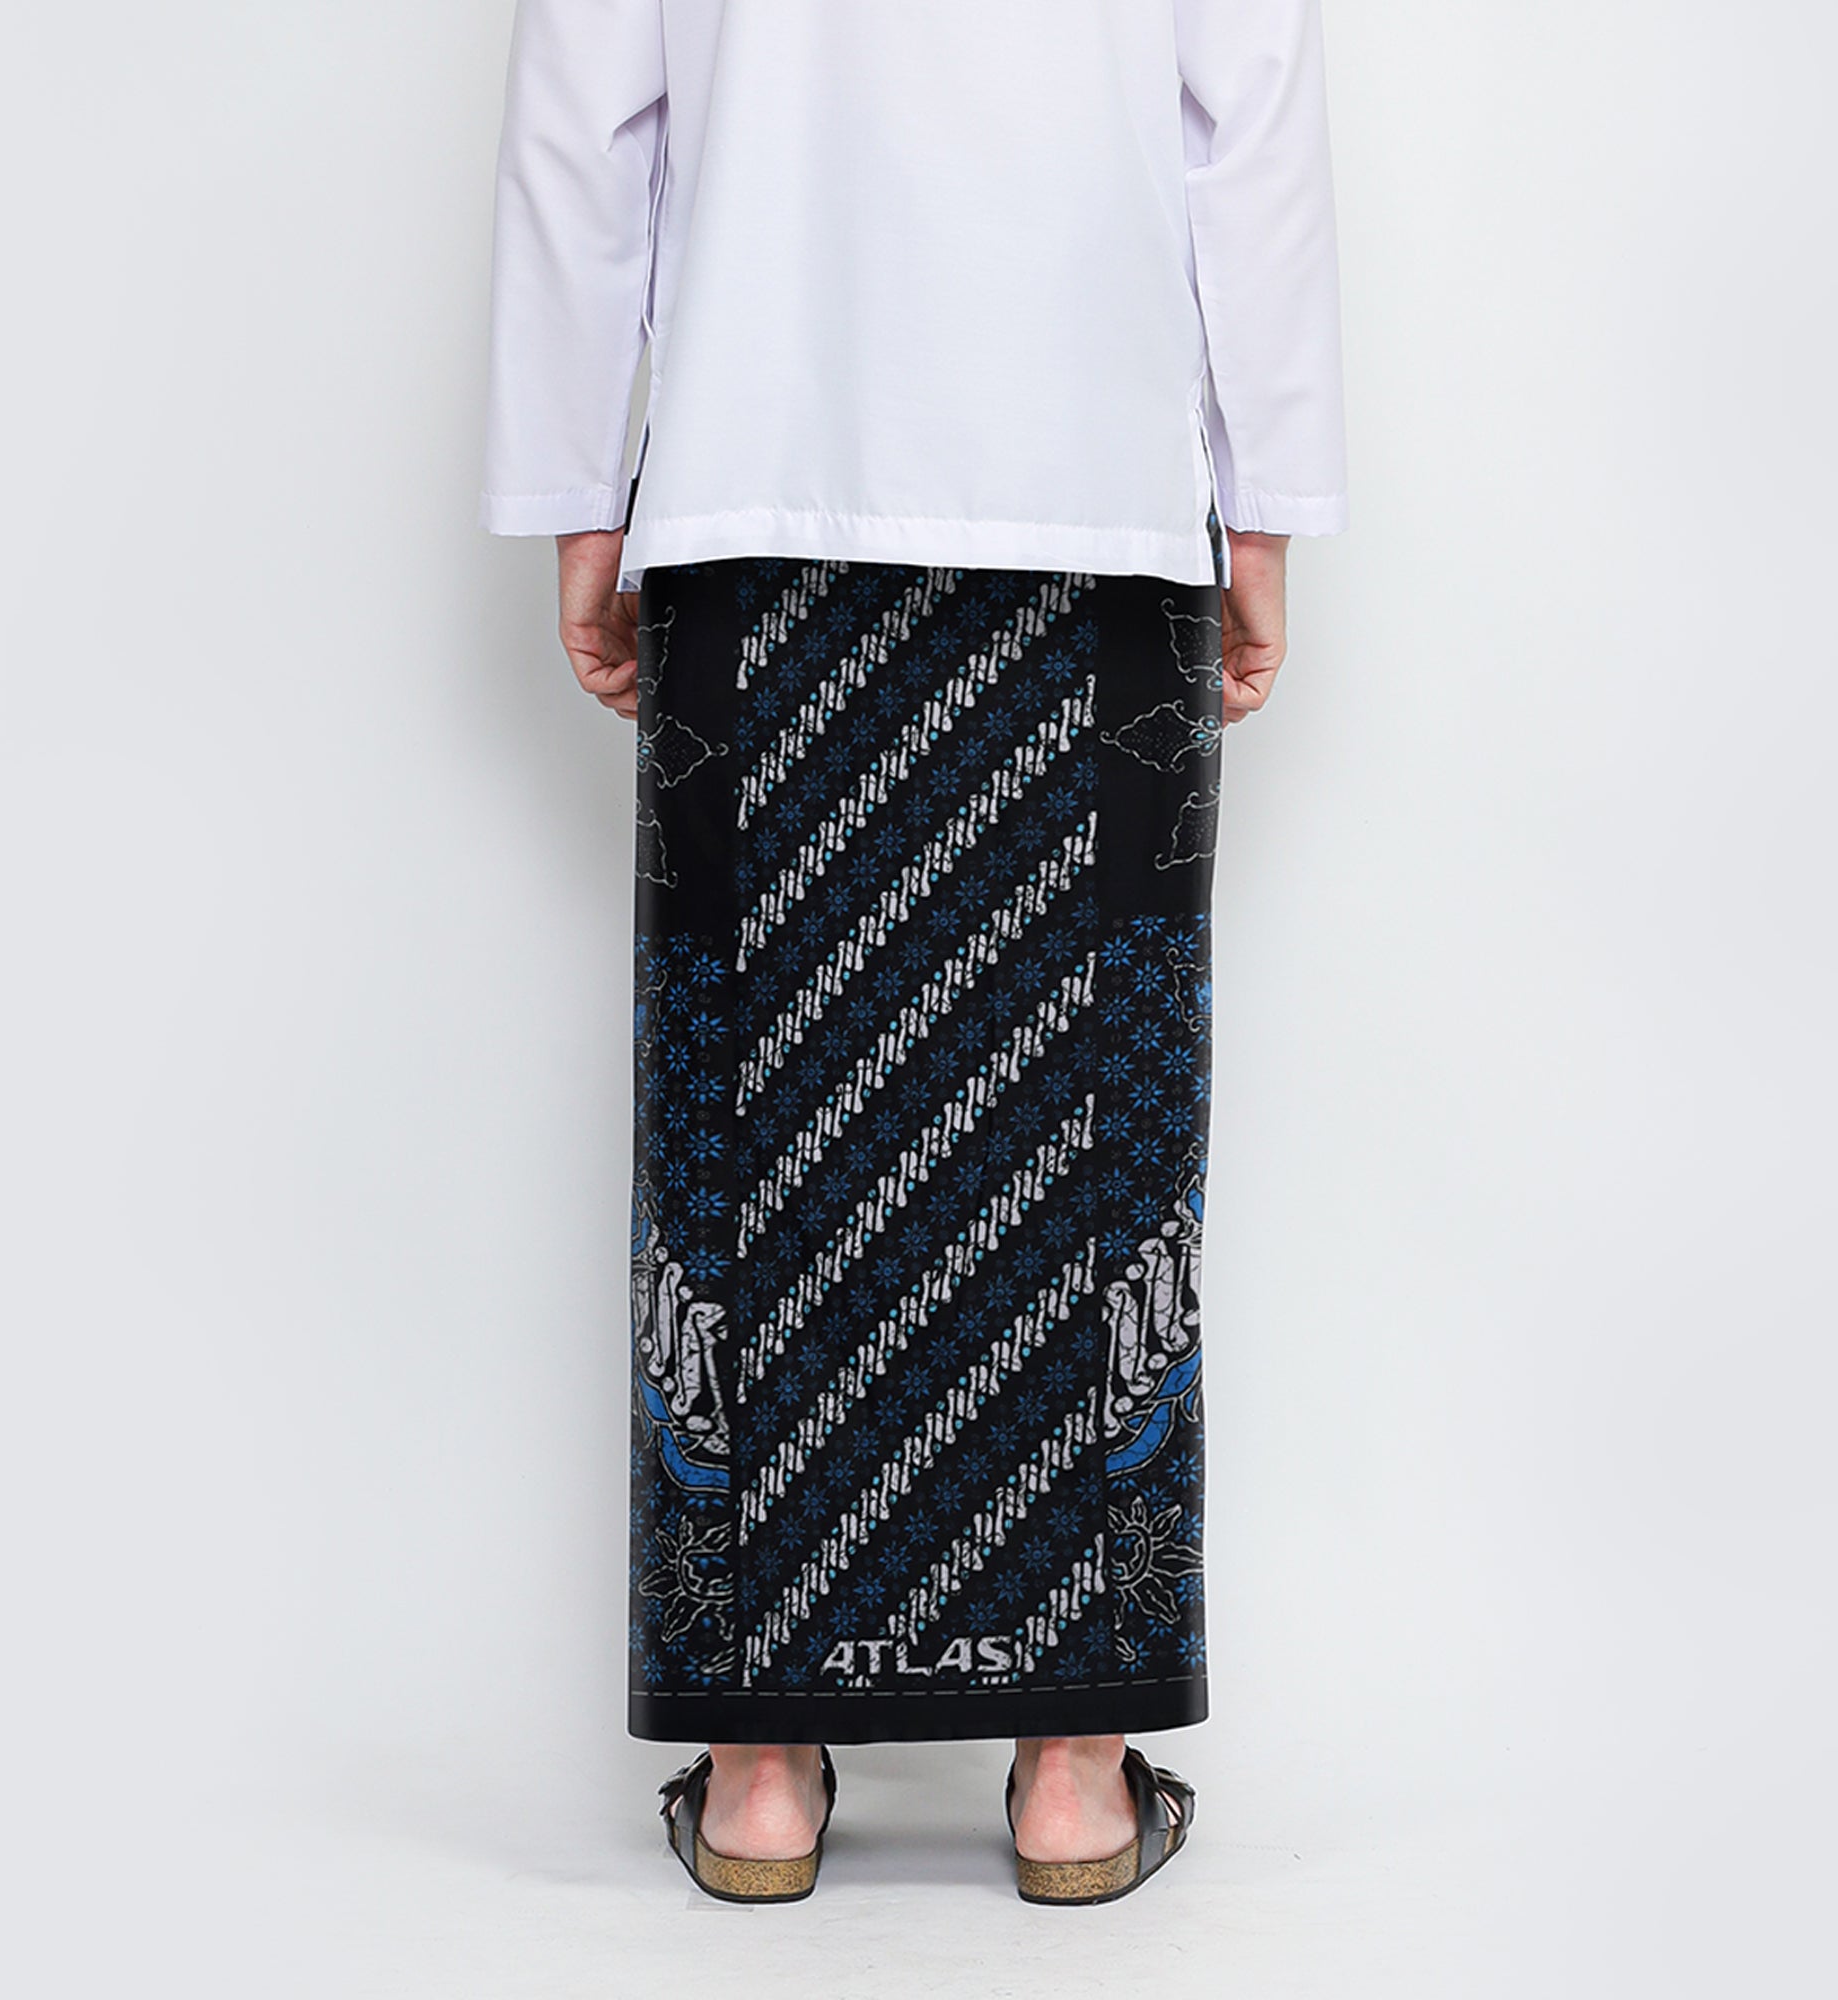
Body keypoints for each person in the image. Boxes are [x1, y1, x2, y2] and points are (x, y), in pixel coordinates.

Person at [480, 0, 1346, 1905]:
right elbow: (1253, 112)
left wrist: (574, 495)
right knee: (1100, 1117)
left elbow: (580, 121)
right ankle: (1075, 1781)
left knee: (746, 1117)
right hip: (1101, 496)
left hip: (749, 477)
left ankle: (761, 1773)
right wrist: (1270, 502)